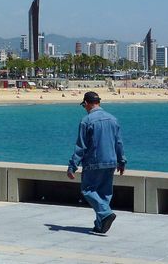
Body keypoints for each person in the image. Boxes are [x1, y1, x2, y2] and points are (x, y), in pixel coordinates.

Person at [67, 91, 126, 234]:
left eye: (84, 105)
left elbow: (81, 146)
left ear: (87, 103)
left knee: (88, 190)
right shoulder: (113, 119)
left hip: (94, 161)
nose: (84, 108)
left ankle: (105, 214)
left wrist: (72, 166)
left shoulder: (86, 121)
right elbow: (118, 142)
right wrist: (122, 161)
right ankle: (100, 226)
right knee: (104, 193)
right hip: (111, 161)